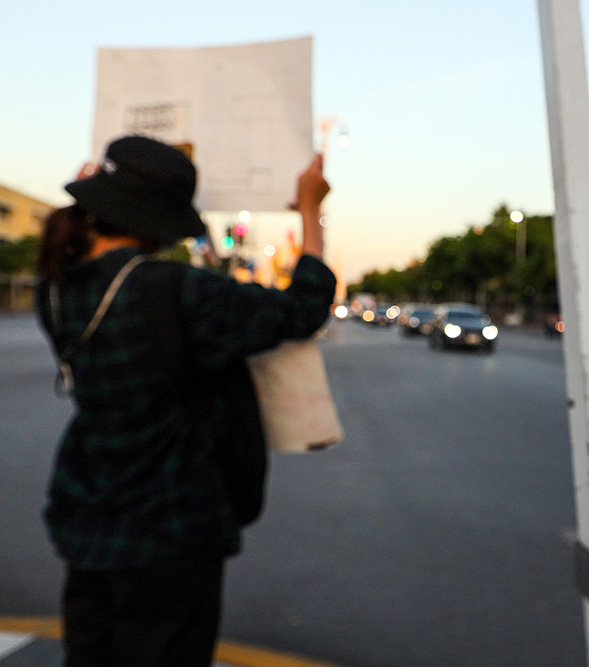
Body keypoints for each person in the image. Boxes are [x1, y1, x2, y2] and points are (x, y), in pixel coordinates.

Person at [34, 135, 337, 667]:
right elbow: (304, 306)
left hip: (86, 519)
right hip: (170, 530)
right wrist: (310, 212)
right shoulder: (178, 289)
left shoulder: (54, 289)